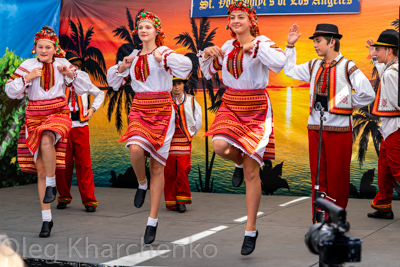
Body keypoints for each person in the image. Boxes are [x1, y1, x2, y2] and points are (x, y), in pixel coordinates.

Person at [198, 0, 286, 255]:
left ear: (251, 21)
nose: (236, 20)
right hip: (231, 102)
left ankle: (250, 229)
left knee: (251, 173)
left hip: (256, 107)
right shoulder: (226, 46)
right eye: (232, 17)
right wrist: (208, 53)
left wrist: (255, 47)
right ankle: (237, 162)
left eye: (241, 17)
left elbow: (279, 63)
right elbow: (209, 72)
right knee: (219, 145)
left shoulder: (263, 42)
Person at [107, 11, 192, 244]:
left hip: (163, 111)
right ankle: (141, 184)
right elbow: (113, 83)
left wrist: (162, 59)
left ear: (157, 31)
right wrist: (123, 67)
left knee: (158, 168)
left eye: (148, 27)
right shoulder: (132, 57)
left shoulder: (163, 52)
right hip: (140, 107)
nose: (143, 30)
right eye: (141, 27)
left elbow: (185, 66)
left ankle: (152, 221)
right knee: (135, 149)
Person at [5, 26, 90, 237]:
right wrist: (27, 78)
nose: (44, 50)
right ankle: (46, 220)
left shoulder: (63, 64)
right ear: (35, 48)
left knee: (46, 138)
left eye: (48, 47)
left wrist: (70, 74)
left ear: (55, 48)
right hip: (34, 115)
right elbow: (11, 91)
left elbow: (84, 88)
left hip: (58, 112)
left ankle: (52, 186)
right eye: (40, 46)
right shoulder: (28, 65)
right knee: (41, 171)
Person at [284, 23, 375, 221]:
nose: (315, 45)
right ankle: (320, 217)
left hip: (339, 129)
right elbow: (289, 70)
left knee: (337, 177)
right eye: (315, 41)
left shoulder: (347, 66)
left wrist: (344, 104)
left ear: (332, 42)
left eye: (318, 41)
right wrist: (290, 46)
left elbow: (367, 94)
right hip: (315, 128)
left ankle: (335, 218)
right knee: (318, 177)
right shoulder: (313, 65)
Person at [56, 52, 104, 212]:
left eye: (77, 66)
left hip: (81, 126)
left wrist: (92, 109)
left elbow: (100, 93)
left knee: (84, 164)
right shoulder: (59, 81)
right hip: (63, 127)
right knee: (63, 164)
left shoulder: (83, 79)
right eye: (72, 65)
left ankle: (89, 200)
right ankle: (63, 196)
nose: (74, 69)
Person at [366, 29, 399, 219]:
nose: (375, 52)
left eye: (378, 49)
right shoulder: (391, 69)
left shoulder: (392, 72)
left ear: (390, 50)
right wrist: (373, 57)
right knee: (385, 169)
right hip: (389, 127)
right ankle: (383, 206)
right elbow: (383, 73)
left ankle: (384, 205)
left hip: (395, 126)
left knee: (397, 168)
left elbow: (396, 100)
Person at [164, 77, 202, 213]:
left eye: (179, 84)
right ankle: (171, 201)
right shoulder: (165, 100)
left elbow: (198, 118)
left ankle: (182, 200)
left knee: (182, 170)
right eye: (173, 84)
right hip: (168, 141)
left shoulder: (191, 100)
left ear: (183, 85)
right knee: (169, 171)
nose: (176, 87)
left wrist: (191, 133)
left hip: (184, 140)